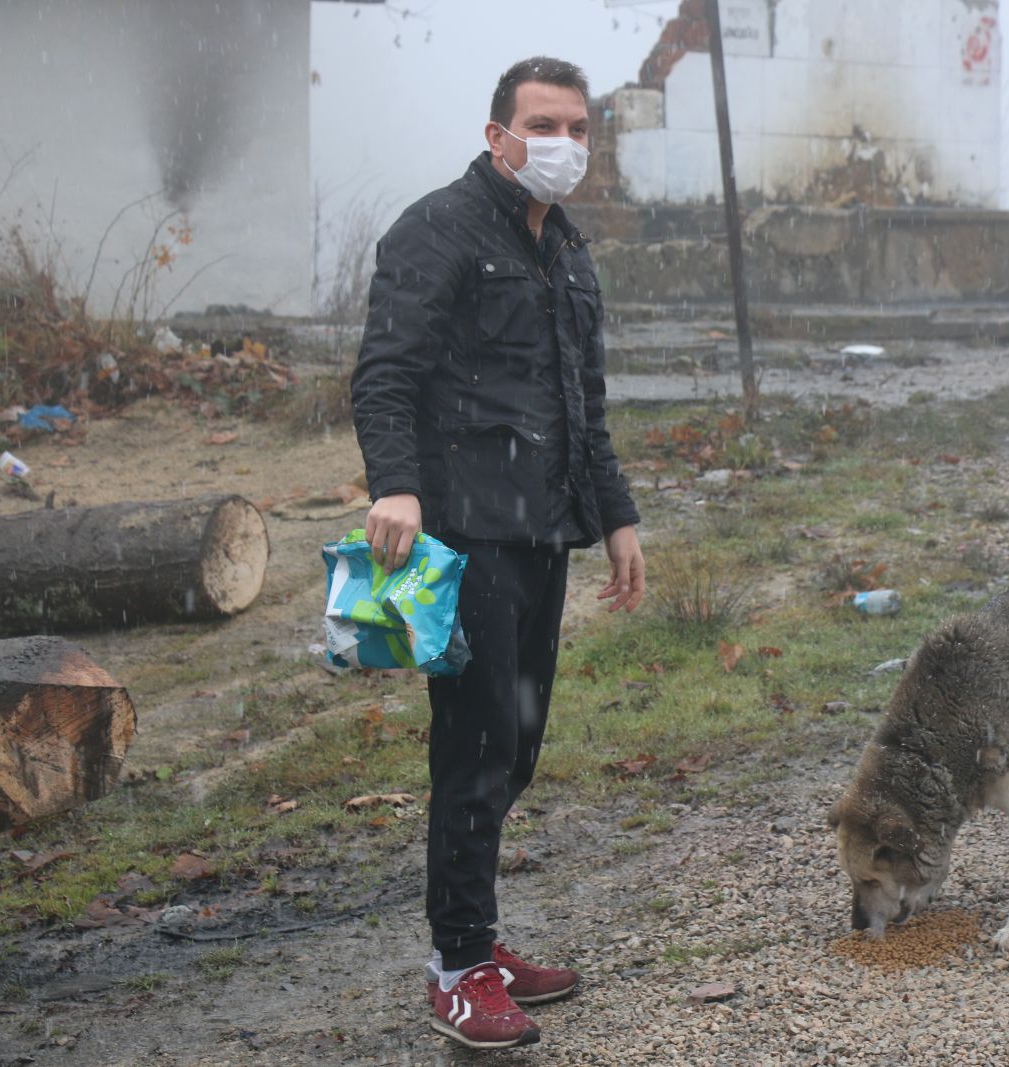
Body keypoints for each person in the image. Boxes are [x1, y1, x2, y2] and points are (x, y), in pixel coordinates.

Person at [349, 56, 644, 1052]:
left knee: (514, 745)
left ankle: (476, 939)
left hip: (541, 532)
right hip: (462, 534)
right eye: (543, 125)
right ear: (497, 135)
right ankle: (459, 967)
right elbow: (385, 374)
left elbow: (583, 403)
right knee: (474, 752)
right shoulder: (437, 229)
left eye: (578, 128)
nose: (563, 145)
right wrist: (396, 484)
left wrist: (616, 515)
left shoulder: (566, 249)